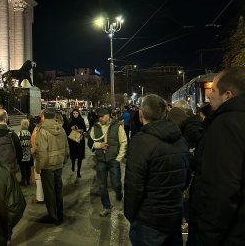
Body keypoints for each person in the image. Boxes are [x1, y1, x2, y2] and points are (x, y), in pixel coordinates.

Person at [124, 94, 190, 246]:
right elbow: (185, 177)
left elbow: (134, 186)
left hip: (149, 221)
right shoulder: (180, 138)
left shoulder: (141, 142)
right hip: (174, 217)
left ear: (141, 114)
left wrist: (131, 215)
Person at [193, 67, 245, 246]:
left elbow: (221, 191)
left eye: (213, 90)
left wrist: (206, 238)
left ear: (227, 95)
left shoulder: (225, 124)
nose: (209, 96)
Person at [32, 108, 69, 225]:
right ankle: (60, 214)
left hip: (48, 166)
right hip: (58, 164)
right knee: (58, 190)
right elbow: (66, 147)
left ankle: (53, 216)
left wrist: (38, 167)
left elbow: (42, 152)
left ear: (44, 116)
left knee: (49, 192)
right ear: (54, 116)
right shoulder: (61, 129)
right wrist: (64, 160)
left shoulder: (42, 130)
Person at [89, 108, 127, 217]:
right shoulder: (94, 128)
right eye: (99, 117)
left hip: (113, 160)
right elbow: (90, 143)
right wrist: (99, 145)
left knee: (116, 183)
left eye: (102, 116)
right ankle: (106, 206)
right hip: (101, 160)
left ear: (108, 116)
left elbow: (124, 142)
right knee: (102, 185)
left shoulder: (117, 126)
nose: (100, 118)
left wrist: (119, 158)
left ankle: (119, 194)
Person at [66, 108, 86, 178]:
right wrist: (71, 128)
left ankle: (78, 171)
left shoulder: (81, 120)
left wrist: (79, 129)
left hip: (80, 141)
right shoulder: (70, 120)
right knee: (73, 156)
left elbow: (84, 129)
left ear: (78, 114)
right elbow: (66, 131)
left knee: (80, 156)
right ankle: (73, 164)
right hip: (72, 141)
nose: (75, 115)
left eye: (76, 113)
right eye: (74, 113)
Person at [30, 111, 45, 204]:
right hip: (52, 158)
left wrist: (33, 151)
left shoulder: (39, 128)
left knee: (39, 178)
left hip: (40, 157)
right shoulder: (56, 127)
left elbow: (35, 143)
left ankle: (40, 197)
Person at [18, 118, 32, 186]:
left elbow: (18, 144)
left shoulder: (19, 133)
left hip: (22, 154)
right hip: (28, 153)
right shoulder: (29, 133)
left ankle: (23, 180)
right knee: (28, 167)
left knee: (22, 168)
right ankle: (29, 180)